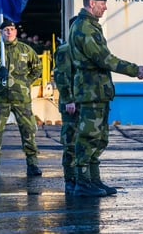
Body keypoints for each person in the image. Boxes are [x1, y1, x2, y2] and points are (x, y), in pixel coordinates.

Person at [68, 0, 143, 197]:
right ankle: (83, 183)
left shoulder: (90, 25)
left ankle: (93, 181)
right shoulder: (84, 27)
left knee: (99, 137)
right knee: (87, 138)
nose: (105, 7)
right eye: (103, 3)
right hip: (90, 91)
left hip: (97, 91)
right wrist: (135, 70)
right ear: (92, 2)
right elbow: (104, 59)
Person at [0, 20, 43, 177]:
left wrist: (26, 82)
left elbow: (37, 68)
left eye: (11, 29)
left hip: (21, 98)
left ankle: (32, 164)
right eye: (6, 30)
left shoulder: (25, 50)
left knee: (28, 131)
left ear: (15, 31)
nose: (9, 32)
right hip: (1, 98)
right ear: (1, 33)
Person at [53, 16, 78, 194]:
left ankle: (82, 177)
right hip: (71, 104)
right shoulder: (65, 50)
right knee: (70, 142)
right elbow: (61, 77)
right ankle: (70, 178)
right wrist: (69, 99)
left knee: (84, 142)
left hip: (84, 101)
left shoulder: (84, 49)